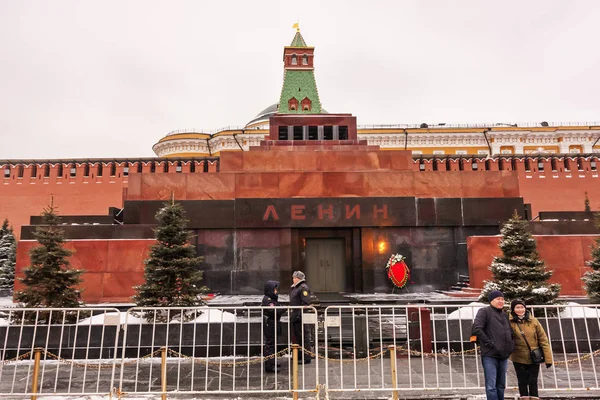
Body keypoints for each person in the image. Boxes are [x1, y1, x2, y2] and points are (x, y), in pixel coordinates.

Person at [472, 290, 515, 400]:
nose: (501, 301)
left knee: (501, 385)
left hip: (503, 354)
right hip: (490, 354)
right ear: (491, 300)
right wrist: (489, 343)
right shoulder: (484, 311)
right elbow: (477, 329)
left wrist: (511, 344)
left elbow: (510, 332)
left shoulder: (504, 315)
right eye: (498, 299)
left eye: (502, 299)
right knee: (491, 386)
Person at [509, 299, 553, 400]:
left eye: (522, 307)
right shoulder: (509, 322)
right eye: (517, 307)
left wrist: (548, 358)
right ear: (513, 309)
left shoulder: (534, 321)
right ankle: (523, 397)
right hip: (518, 356)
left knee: (533, 380)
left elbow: (543, 339)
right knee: (522, 381)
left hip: (534, 356)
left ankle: (534, 397)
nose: (520, 310)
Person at [289, 270, 312, 364]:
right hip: (295, 315)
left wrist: (299, 314)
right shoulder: (296, 288)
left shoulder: (303, 288)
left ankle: (306, 357)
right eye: (293, 278)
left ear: (299, 278)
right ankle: (298, 355)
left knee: (303, 336)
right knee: (296, 337)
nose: (293, 279)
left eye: (295, 278)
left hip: (300, 316)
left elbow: (305, 302)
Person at [261, 280, 283, 373]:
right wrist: (282, 310)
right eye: (274, 289)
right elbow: (273, 310)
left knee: (273, 344)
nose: (276, 291)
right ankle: (269, 366)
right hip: (270, 324)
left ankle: (272, 361)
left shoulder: (271, 298)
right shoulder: (268, 299)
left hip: (272, 323)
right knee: (270, 344)